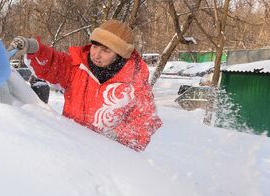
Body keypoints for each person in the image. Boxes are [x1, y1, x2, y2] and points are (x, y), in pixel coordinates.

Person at [10, 20, 162, 152]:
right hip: (68, 146)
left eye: (105, 50)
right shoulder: (77, 68)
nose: (96, 54)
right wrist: (34, 48)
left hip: (104, 161)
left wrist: (118, 138)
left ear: (120, 54)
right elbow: (53, 63)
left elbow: (145, 121)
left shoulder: (135, 85)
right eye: (95, 46)